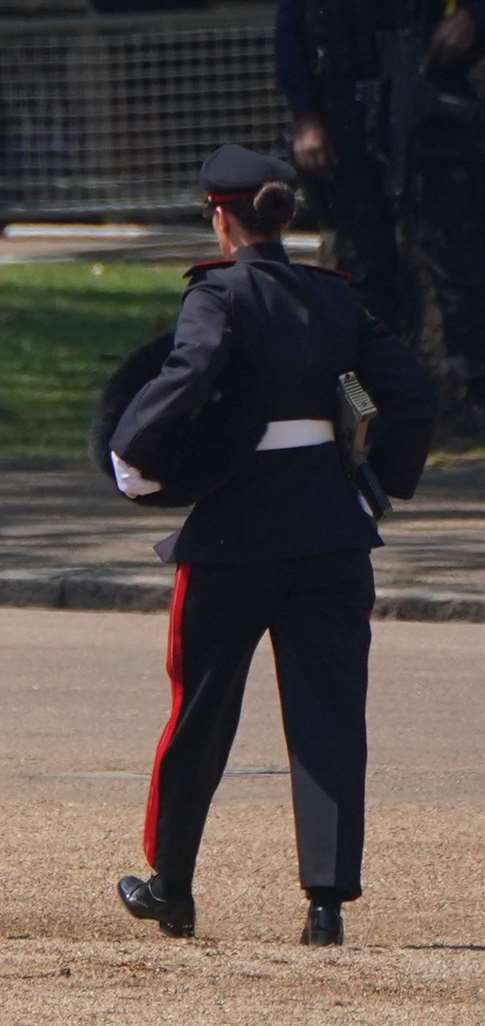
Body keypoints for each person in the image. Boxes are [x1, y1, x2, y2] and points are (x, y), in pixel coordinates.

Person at [108, 146, 437, 947]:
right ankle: (323, 901)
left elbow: (189, 374)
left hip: (235, 531)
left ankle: (172, 886)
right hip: (330, 529)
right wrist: (379, 475)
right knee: (327, 717)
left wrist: (133, 456)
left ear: (220, 217)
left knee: (199, 712)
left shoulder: (217, 293)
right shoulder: (331, 297)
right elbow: (409, 388)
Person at [276, 0, 485, 436]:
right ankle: (371, 401)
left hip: (428, 99)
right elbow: (291, 31)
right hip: (345, 108)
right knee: (362, 267)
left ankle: (469, 395)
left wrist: (473, 15)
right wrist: (306, 117)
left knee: (455, 260)